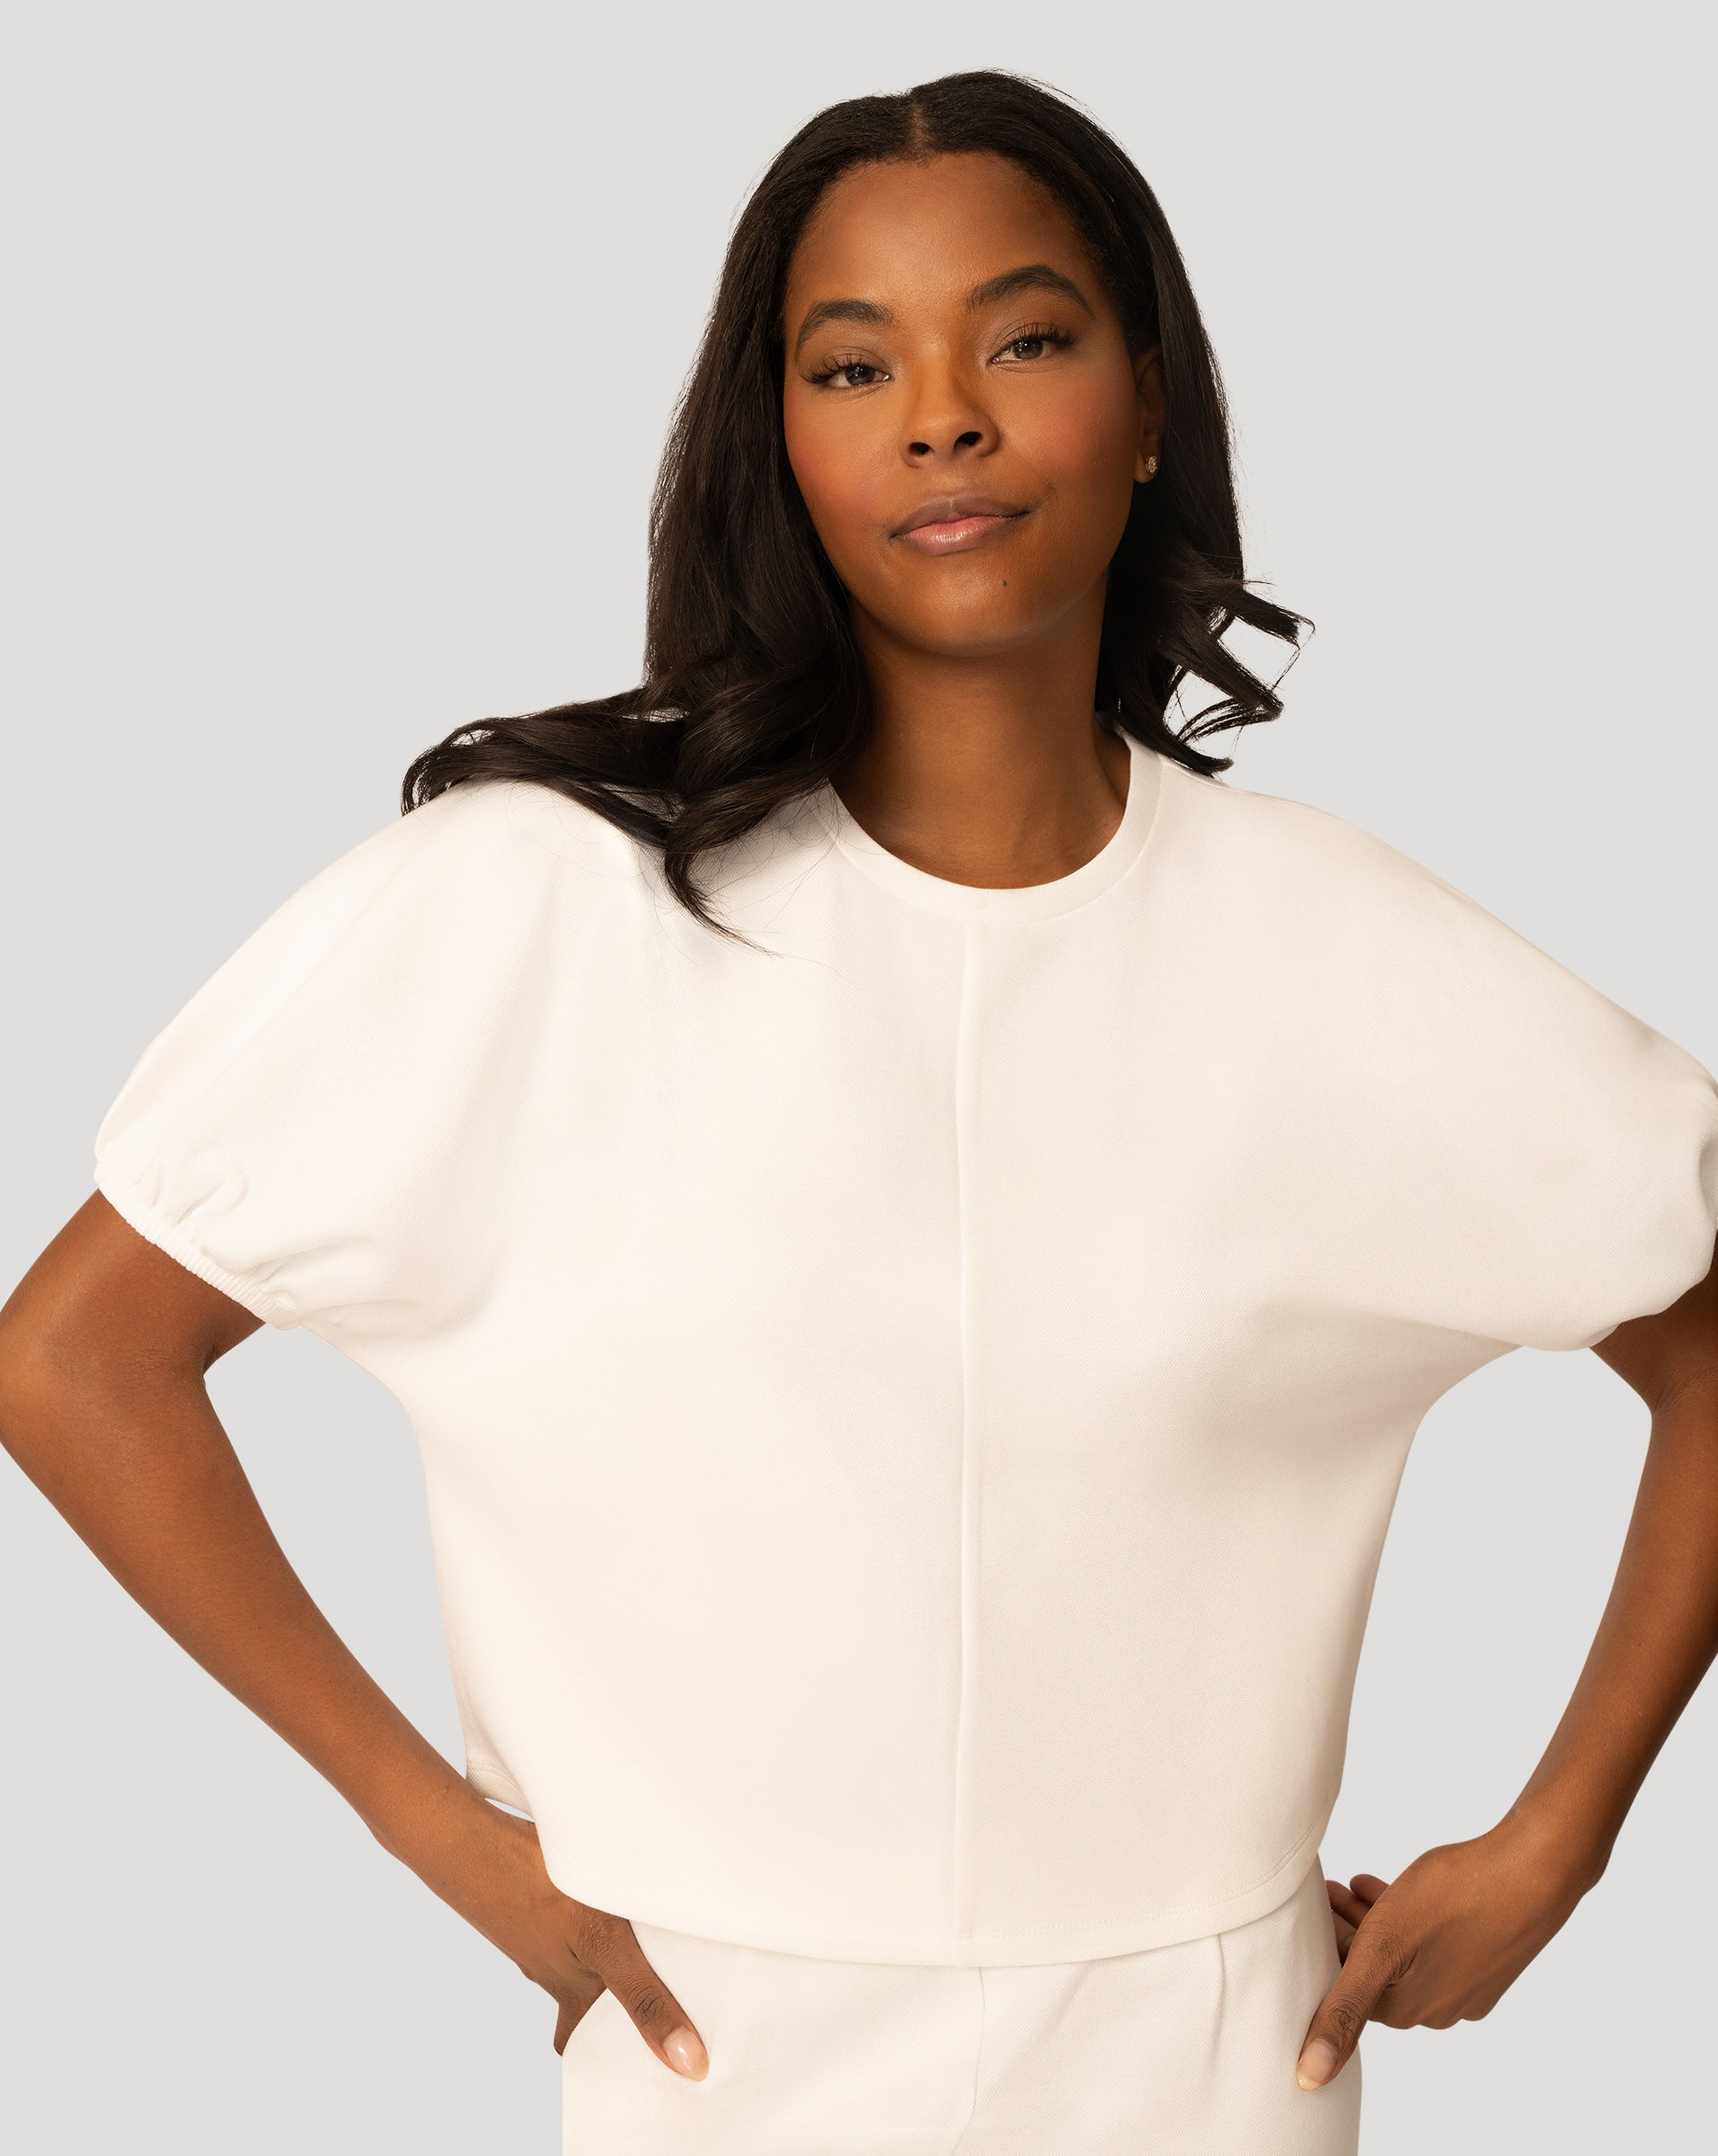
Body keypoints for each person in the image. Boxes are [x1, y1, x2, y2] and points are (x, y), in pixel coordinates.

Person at [2, 66, 1715, 2156]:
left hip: (1209, 2066)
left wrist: (1559, 1836)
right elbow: (76, 1356)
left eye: (1023, 338)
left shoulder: (1331, 950)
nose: (940, 419)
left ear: (1146, 405)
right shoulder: (538, 904)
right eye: (851, 364)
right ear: (779, 439)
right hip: (712, 2055)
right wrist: (435, 1836)